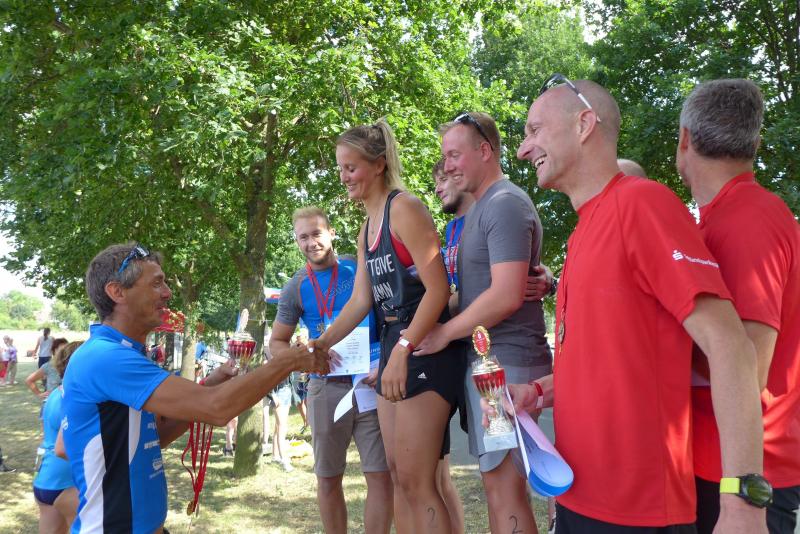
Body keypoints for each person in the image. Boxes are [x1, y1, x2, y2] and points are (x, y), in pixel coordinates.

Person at [506, 74, 767, 532]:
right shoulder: (584, 229)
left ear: (584, 124)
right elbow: (606, 361)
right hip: (577, 496)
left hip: (640, 511)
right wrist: (539, 392)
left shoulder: (642, 203)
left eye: (534, 130)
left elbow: (730, 346)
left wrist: (743, 501)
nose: (524, 150)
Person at [60, 242, 330, 533]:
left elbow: (156, 436)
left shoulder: (122, 352)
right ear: (117, 292)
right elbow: (216, 408)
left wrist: (212, 382)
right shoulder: (106, 357)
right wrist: (288, 361)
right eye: (156, 283)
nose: (168, 292)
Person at [310, 120, 466, 533]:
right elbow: (361, 300)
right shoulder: (366, 228)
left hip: (423, 343)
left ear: (378, 164)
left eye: (351, 167)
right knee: (398, 477)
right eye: (340, 168)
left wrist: (403, 350)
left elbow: (438, 289)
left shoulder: (405, 208)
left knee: (418, 480)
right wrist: (320, 344)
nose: (344, 177)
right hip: (395, 339)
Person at [417, 112, 552, 533]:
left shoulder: (505, 203)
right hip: (491, 369)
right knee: (498, 486)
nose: (448, 165)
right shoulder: (481, 207)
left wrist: (443, 333)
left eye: (455, 155)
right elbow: (478, 293)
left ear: (485, 151)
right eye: (445, 156)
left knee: (505, 489)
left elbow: (506, 295)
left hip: (506, 368)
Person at [676, 79, 800, 534]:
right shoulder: (724, 218)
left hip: (740, 478)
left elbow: (747, 366)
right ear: (755, 143)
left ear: (685, 139)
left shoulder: (748, 219)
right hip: (721, 464)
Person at [270, 206, 392, 533]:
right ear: (296, 241)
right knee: (328, 478)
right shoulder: (295, 286)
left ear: (332, 232)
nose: (311, 242)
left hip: (370, 381)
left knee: (381, 476)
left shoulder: (358, 267)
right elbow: (276, 342)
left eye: (317, 233)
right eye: (303, 237)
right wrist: (301, 358)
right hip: (326, 386)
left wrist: (386, 362)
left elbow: (390, 317)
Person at [33, 341, 82, 534]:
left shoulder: (55, 394)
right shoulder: (75, 397)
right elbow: (65, 447)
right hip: (66, 480)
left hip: (45, 478)